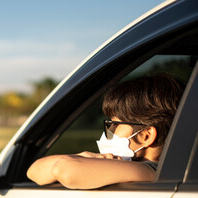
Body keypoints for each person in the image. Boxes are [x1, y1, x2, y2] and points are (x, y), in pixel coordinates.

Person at [27, 74, 185, 189]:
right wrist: (86, 157)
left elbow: (64, 170)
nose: (109, 132)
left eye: (115, 125)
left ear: (146, 136)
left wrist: (95, 158)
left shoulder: (150, 171)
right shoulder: (138, 166)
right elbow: (35, 171)